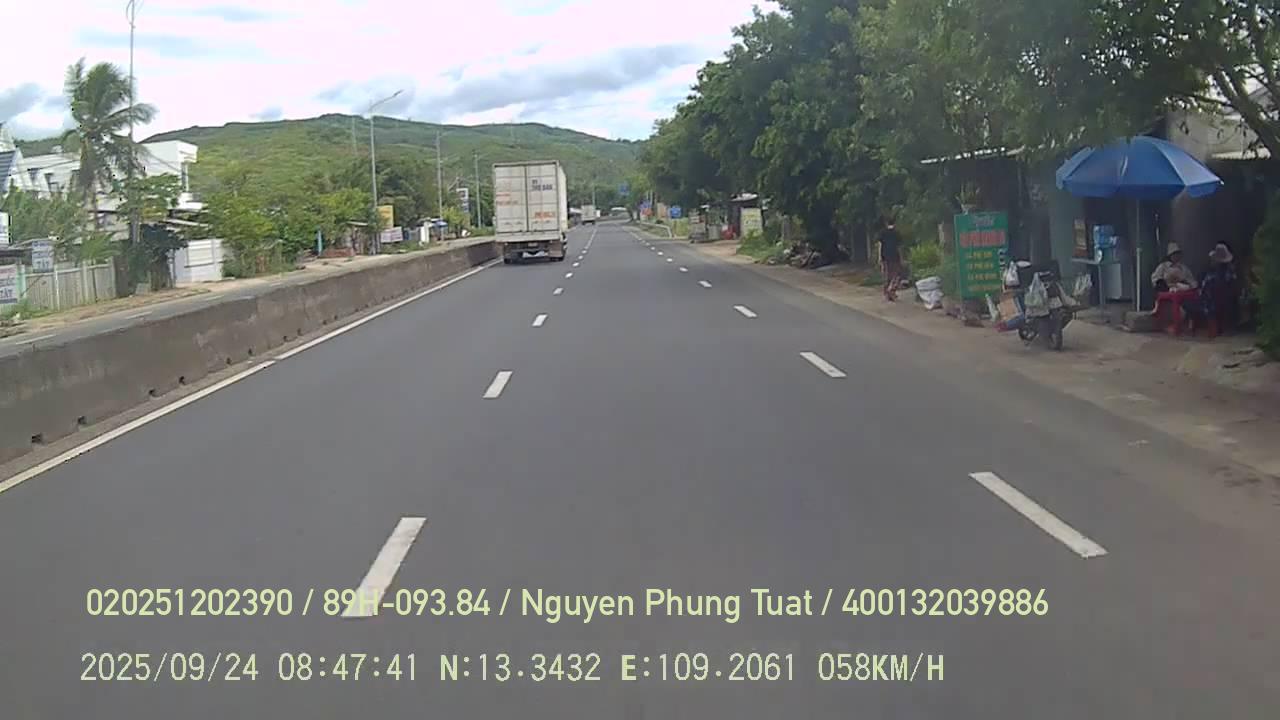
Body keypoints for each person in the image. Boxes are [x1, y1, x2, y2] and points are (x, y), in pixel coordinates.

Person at [1150, 243, 1200, 331]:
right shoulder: (1163, 266)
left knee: (1190, 303)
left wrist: (1188, 286)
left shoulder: (1183, 268)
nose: (1176, 256)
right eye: (1174, 254)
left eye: (1177, 254)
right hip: (1166, 290)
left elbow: (1192, 281)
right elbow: (1155, 279)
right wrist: (1166, 287)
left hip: (1181, 291)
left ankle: (1188, 324)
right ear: (1170, 256)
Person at [1199, 243, 1238, 335]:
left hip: (1215, 299)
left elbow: (1205, 287)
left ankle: (1216, 327)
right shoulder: (1227, 272)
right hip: (1220, 299)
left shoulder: (1217, 273)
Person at [877, 217, 903, 301]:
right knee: (896, 274)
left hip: (885, 256)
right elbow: (899, 247)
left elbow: (880, 245)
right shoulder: (897, 233)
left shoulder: (882, 233)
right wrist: (901, 257)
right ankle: (891, 291)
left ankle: (887, 292)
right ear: (894, 224)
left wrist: (879, 257)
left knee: (887, 274)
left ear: (886, 223)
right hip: (895, 256)